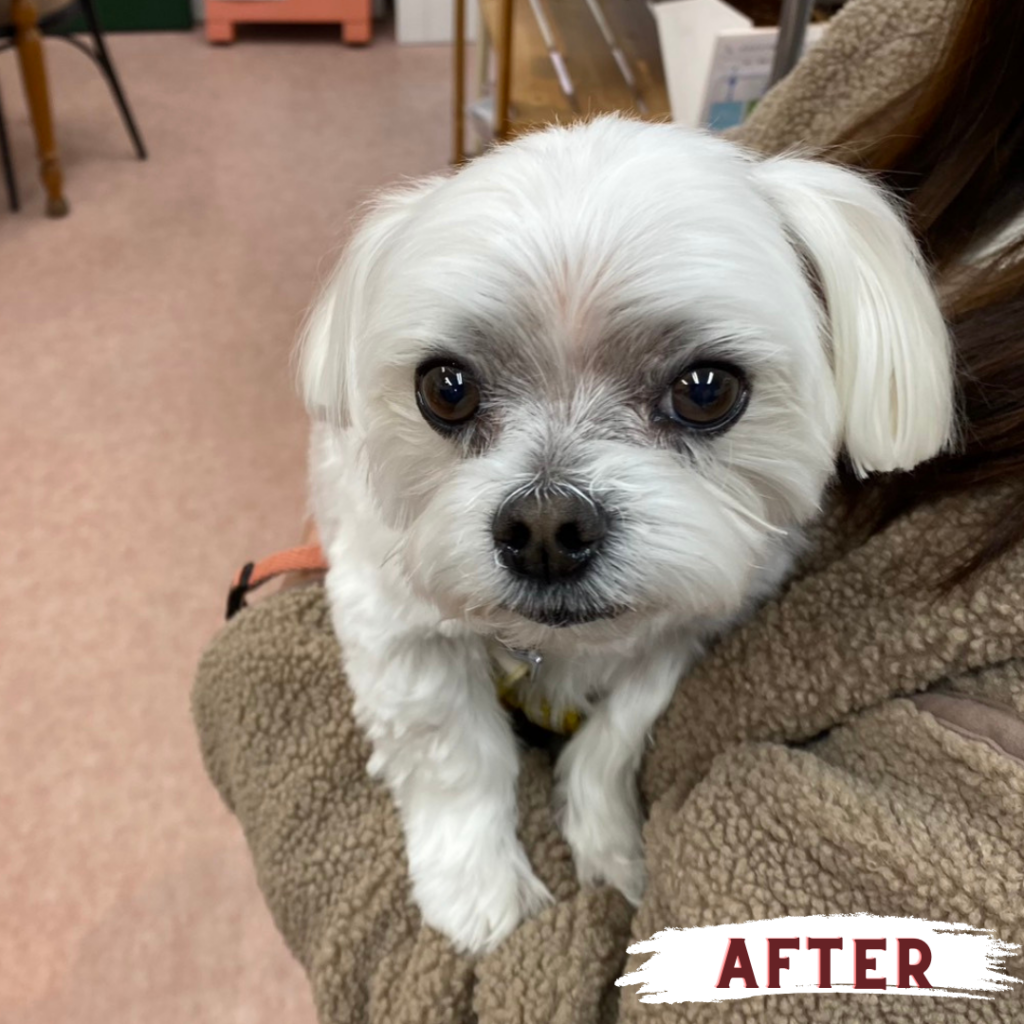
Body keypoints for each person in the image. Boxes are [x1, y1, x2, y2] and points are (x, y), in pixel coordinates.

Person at [193, 0, 1024, 1020]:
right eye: (454, 394)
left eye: (700, 393)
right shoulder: (923, 36)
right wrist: (458, 808)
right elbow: (381, 609)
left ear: (845, 347)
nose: (548, 517)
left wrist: (605, 767)